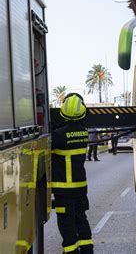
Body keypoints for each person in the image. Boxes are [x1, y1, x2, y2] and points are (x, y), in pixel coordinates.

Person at [51, 93, 94, 253]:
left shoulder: (58, 135)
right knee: (81, 219)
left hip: (64, 190)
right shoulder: (83, 132)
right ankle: (87, 249)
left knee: (66, 224)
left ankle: (70, 251)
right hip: (80, 188)